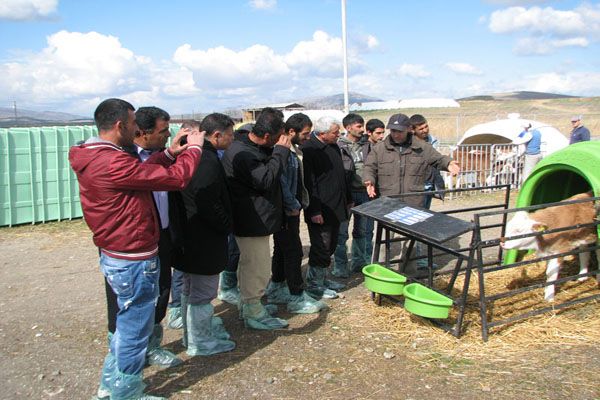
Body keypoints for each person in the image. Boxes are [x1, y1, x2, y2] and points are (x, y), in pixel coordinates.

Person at [70, 98, 204, 400]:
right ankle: (126, 393)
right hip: (133, 256)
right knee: (133, 330)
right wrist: (195, 149)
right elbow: (176, 179)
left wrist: (169, 153)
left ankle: (110, 386)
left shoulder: (100, 156)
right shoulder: (112, 161)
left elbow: (139, 174)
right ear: (121, 126)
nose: (136, 129)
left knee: (126, 326)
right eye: (133, 124)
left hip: (117, 252)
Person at [102, 106, 184, 370]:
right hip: (131, 244)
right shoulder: (121, 159)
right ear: (142, 133)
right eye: (163, 131)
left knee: (161, 290)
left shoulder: (164, 155)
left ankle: (151, 345)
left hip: (163, 233)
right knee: (124, 302)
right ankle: (122, 359)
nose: (168, 135)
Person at [169, 114, 236, 356]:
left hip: (189, 235)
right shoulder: (205, 159)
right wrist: (226, 224)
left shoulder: (191, 155)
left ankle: (191, 337)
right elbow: (206, 201)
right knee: (203, 293)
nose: (232, 138)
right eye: (230, 134)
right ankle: (202, 342)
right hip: (203, 237)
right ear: (216, 135)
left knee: (190, 289)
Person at [363, 113, 460, 275]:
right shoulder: (380, 149)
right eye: (392, 130)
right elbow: (369, 167)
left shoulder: (421, 147)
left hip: (413, 202)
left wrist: (449, 163)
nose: (395, 134)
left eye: (399, 131)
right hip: (387, 202)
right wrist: (369, 180)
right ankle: (379, 274)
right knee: (382, 240)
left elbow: (438, 159)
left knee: (410, 242)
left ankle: (407, 275)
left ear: (408, 129)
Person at [221, 108, 292, 330]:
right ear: (268, 136)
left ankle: (250, 306)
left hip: (256, 218)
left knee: (251, 265)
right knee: (257, 267)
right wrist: (280, 151)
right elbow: (266, 179)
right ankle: (253, 311)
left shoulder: (250, 146)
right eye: (278, 138)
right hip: (251, 221)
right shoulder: (243, 153)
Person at [266, 113, 328, 313]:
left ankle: (276, 287)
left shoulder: (294, 150)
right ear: (291, 131)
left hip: (291, 208)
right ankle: (296, 297)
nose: (308, 137)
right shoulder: (282, 151)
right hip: (286, 210)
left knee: (281, 249)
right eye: (305, 133)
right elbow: (281, 181)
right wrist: (292, 204)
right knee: (294, 251)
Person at [302, 116, 352, 299]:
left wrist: (348, 198)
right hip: (321, 208)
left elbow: (340, 176)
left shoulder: (332, 146)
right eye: (335, 132)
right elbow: (309, 183)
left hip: (336, 205)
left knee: (331, 244)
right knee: (321, 246)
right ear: (322, 133)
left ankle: (322, 279)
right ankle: (314, 285)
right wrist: (314, 210)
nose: (339, 135)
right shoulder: (309, 149)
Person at [217, 123, 253, 306]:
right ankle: (227, 288)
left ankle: (232, 285)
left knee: (237, 249)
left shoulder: (231, 152)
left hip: (237, 207)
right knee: (233, 249)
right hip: (229, 208)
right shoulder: (223, 153)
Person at [333, 113, 372, 278]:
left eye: (362, 126)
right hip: (347, 195)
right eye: (358, 126)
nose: (362, 129)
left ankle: (359, 262)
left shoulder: (367, 145)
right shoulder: (338, 146)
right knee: (342, 232)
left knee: (362, 231)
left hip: (364, 193)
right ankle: (340, 266)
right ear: (348, 128)